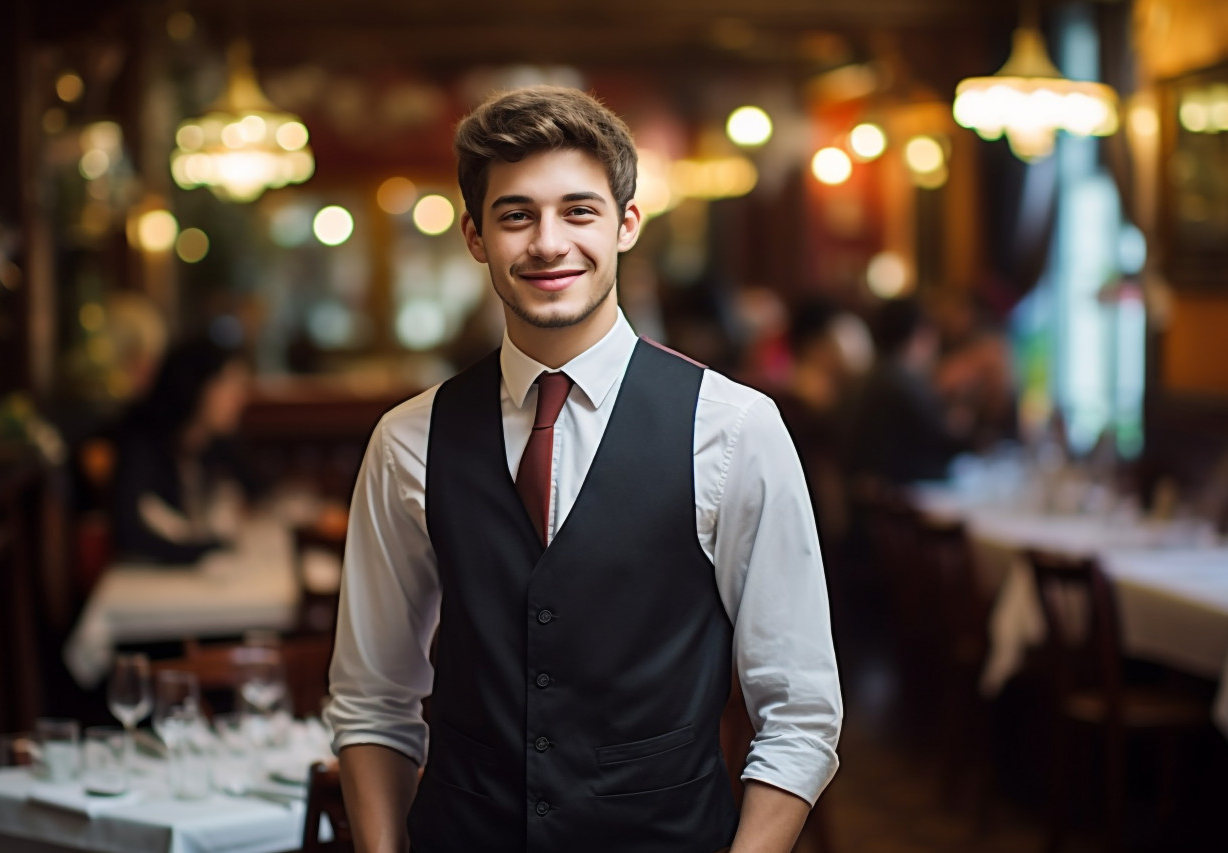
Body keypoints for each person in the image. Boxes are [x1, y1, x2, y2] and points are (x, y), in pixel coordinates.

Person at [325, 86, 841, 853]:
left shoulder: (734, 428)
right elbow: (371, 701)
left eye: (578, 210)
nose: (547, 242)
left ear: (627, 223)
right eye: (515, 215)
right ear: (474, 236)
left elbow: (799, 711)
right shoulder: (406, 440)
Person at [111, 336, 255, 563]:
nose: (239, 398)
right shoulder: (142, 441)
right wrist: (211, 548)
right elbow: (129, 531)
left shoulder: (211, 443)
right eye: (228, 384)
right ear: (196, 385)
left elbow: (257, 485)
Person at [847, 297, 971, 485]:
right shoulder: (900, 382)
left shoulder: (874, 375)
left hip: (869, 490)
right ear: (920, 334)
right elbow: (943, 441)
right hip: (889, 498)